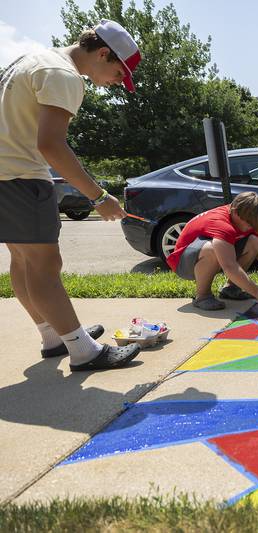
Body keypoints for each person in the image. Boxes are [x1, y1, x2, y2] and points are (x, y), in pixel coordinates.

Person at [0, 20, 143, 371]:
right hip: (21, 178)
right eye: (118, 74)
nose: (115, 83)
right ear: (104, 53)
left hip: (4, 175)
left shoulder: (33, 60)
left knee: (24, 262)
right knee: (47, 267)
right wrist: (98, 197)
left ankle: (55, 336)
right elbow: (50, 144)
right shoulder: (65, 76)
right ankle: (84, 351)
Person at [166, 192, 258, 311]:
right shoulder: (221, 224)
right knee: (211, 249)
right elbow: (230, 267)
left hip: (206, 253)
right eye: (249, 224)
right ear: (236, 213)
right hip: (183, 263)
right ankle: (202, 296)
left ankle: (231, 288)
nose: (250, 227)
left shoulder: (243, 214)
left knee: (254, 240)